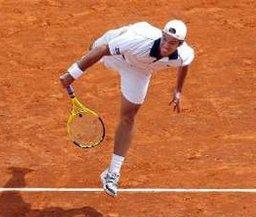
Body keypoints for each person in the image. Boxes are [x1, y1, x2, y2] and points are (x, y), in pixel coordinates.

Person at [59, 20, 195, 197]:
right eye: (164, 39)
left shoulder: (184, 55)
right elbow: (103, 50)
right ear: (161, 35)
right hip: (117, 52)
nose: (166, 44)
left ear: (180, 44)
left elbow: (185, 64)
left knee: (129, 116)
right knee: (93, 47)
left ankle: (112, 173)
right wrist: (72, 74)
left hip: (139, 72)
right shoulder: (136, 39)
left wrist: (178, 90)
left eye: (172, 43)